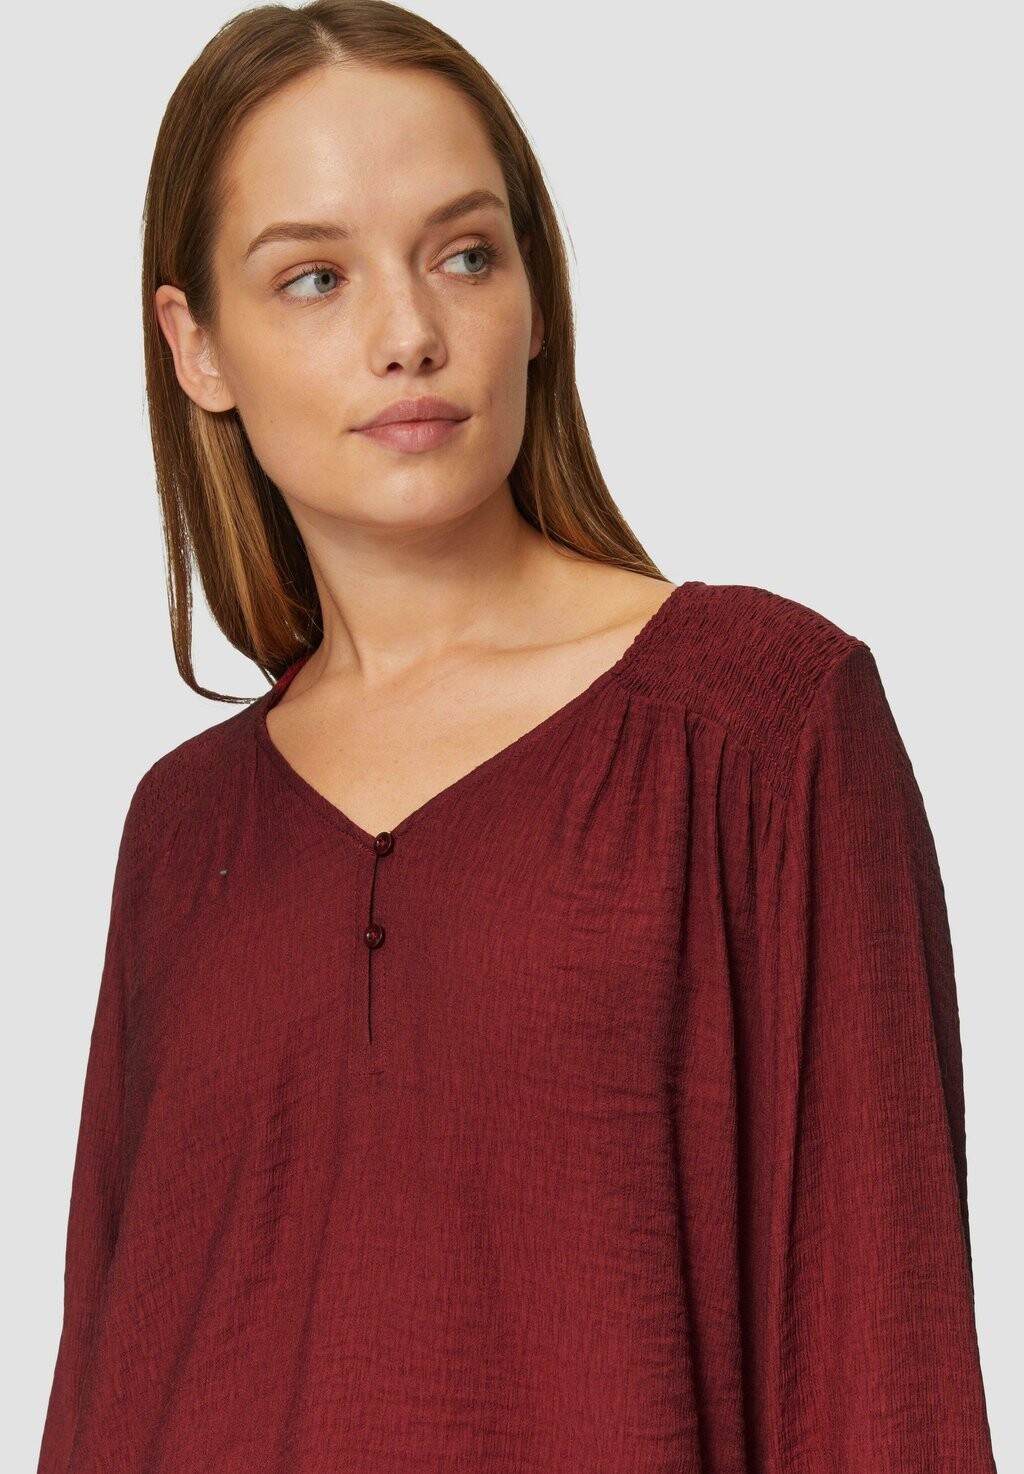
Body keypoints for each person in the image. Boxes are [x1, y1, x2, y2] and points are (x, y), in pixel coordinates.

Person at [37, 3, 998, 1471]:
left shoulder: (762, 723)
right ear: (196, 345)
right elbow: (106, 1388)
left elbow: (884, 1363)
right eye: (314, 277)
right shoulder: (182, 831)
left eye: (466, 254)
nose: (409, 335)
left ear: (537, 295)